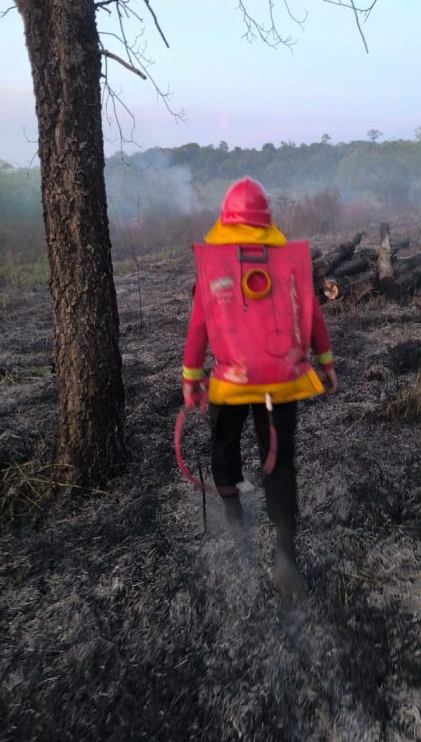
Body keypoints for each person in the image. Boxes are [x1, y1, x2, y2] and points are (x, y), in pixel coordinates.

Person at [181, 177, 337, 598]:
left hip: (231, 382)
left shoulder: (213, 265)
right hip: (282, 381)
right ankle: (285, 551)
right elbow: (312, 314)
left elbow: (199, 325)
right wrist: (325, 362)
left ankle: (232, 512)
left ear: (226, 219)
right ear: (266, 220)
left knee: (224, 444)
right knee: (280, 461)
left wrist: (191, 377)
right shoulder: (286, 261)